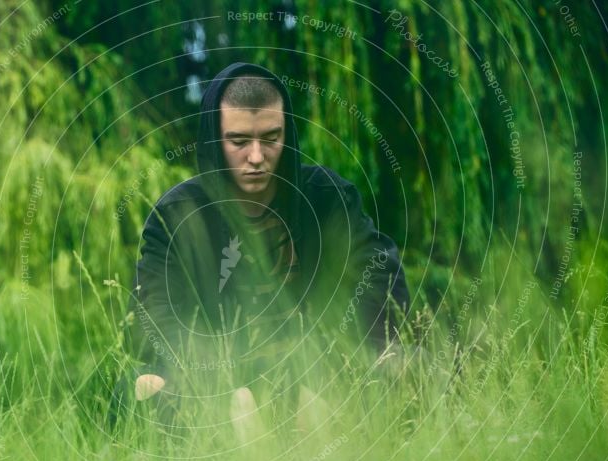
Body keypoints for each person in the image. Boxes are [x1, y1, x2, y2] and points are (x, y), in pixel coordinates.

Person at [117, 62, 409, 439]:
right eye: (238, 142)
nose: (256, 157)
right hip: (217, 380)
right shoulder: (177, 217)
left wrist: (335, 366)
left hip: (318, 368)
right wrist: (216, 385)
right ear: (214, 139)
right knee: (143, 389)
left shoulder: (327, 198)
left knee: (404, 367)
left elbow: (379, 277)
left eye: (271, 138)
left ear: (287, 133)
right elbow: (153, 318)